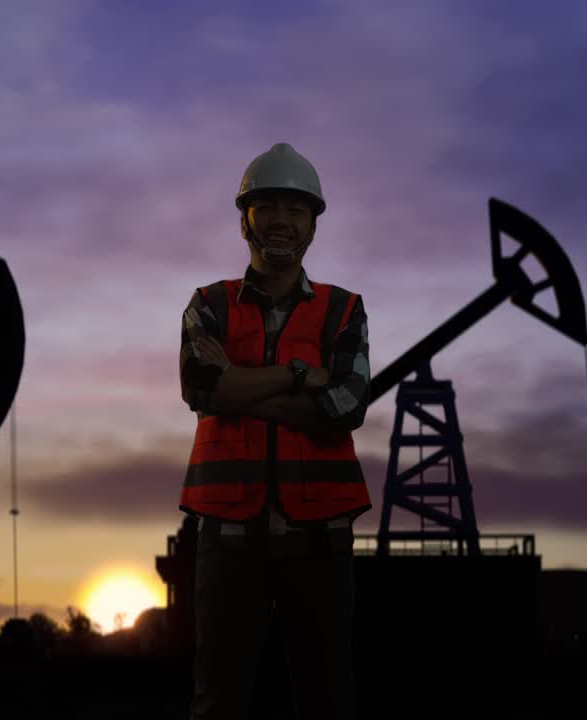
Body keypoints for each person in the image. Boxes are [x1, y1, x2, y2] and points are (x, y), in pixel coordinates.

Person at [178, 142, 371, 720]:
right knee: (218, 702)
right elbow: (201, 390)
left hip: (320, 537)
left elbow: (346, 406)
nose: (282, 220)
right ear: (245, 220)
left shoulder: (345, 310)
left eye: (297, 208)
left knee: (327, 699)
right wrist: (297, 376)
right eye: (268, 207)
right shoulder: (207, 305)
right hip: (227, 538)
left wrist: (239, 386)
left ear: (314, 223)